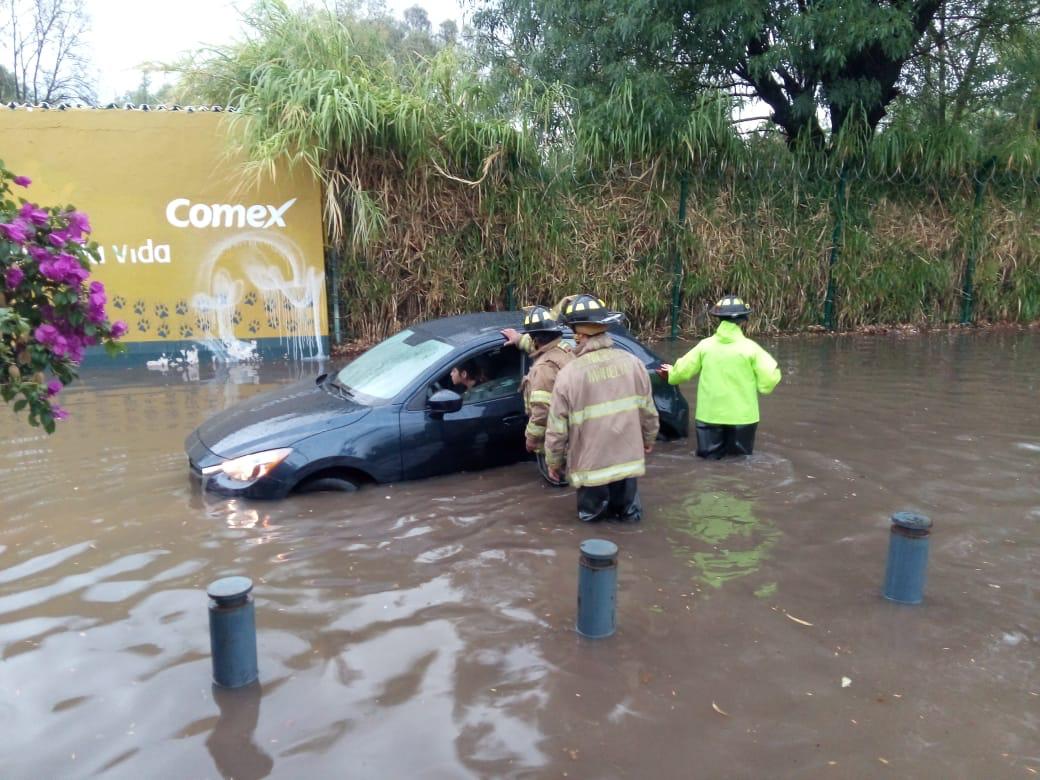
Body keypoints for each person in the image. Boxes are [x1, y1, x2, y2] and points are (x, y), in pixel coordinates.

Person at [544, 294, 660, 523]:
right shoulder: (633, 364)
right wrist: (649, 438)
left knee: (592, 528)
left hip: (591, 469)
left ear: (578, 335)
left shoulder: (569, 374)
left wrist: (554, 462)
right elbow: (648, 410)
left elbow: (557, 427)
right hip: (627, 464)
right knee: (629, 522)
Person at [657, 295, 781, 459]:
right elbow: (770, 377)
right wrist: (763, 387)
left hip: (709, 416)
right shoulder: (751, 349)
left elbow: (683, 370)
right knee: (740, 462)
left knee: (708, 463)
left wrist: (671, 374)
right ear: (744, 319)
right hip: (743, 417)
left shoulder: (705, 346)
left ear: (718, 318)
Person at [513, 305, 574, 485]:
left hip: (556, 441)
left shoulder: (544, 368)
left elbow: (542, 412)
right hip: (574, 434)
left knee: (556, 481)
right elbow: (538, 346)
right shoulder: (565, 349)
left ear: (536, 338)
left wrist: (531, 439)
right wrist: (518, 339)